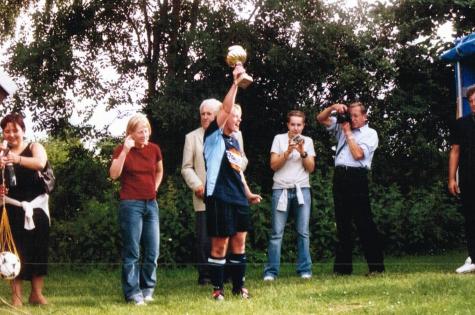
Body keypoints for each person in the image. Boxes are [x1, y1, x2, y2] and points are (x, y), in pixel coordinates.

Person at [204, 65, 261, 300]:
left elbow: (239, 173)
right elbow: (226, 107)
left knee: (240, 243)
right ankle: (218, 290)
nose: (237, 121)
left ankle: (239, 288)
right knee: (220, 245)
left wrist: (247, 194)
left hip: (238, 198)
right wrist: (236, 83)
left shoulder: (235, 141)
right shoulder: (212, 136)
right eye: (234, 117)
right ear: (224, 118)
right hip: (218, 196)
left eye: (240, 118)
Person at [181, 99, 248, 286]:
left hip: (230, 193)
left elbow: (243, 161)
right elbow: (186, 167)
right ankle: (205, 276)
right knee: (205, 238)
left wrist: (233, 164)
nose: (205, 117)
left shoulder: (236, 135)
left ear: (218, 115)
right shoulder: (192, 137)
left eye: (209, 114)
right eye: (202, 114)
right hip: (204, 194)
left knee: (229, 236)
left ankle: (227, 276)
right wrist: (197, 185)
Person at [316, 102, 384, 275]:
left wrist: (347, 132)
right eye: (350, 115)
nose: (352, 119)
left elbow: (358, 154)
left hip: (357, 177)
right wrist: (333, 107)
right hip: (340, 176)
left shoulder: (370, 134)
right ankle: (342, 269)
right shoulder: (342, 126)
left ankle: (376, 268)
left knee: (364, 223)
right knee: (342, 223)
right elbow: (320, 118)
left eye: (355, 116)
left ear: (364, 116)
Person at [109, 113, 163, 305]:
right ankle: (132, 293)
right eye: (140, 131)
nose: (145, 134)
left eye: (146, 129)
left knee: (152, 250)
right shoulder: (121, 150)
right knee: (132, 251)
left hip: (151, 204)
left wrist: (155, 187)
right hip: (131, 205)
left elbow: (159, 170)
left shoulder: (154, 149)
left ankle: (147, 288)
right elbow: (114, 174)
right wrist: (125, 151)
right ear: (130, 133)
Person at [0, 113, 50, 306]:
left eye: (15, 130)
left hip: (36, 207)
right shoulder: (1, 152)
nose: (11, 134)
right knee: (13, 253)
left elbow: (40, 163)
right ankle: (16, 297)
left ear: (23, 130)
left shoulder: (34, 147)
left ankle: (36, 294)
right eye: (7, 131)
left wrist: (16, 158)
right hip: (11, 208)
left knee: (39, 251)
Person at [263, 110, 316, 281]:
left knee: (303, 232)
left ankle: (304, 270)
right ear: (287, 125)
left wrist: (302, 152)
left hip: (302, 190)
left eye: (299, 125)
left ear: (303, 125)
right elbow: (273, 165)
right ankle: (271, 272)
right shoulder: (279, 139)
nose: (295, 128)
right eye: (292, 124)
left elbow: (311, 168)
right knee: (277, 233)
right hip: (281, 189)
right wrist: (287, 151)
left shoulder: (308, 141)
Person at [448, 85, 475, 274]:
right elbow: (455, 151)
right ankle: (473, 258)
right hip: (468, 178)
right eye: (471, 101)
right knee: (471, 219)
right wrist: (451, 178)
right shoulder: (461, 124)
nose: (473, 104)